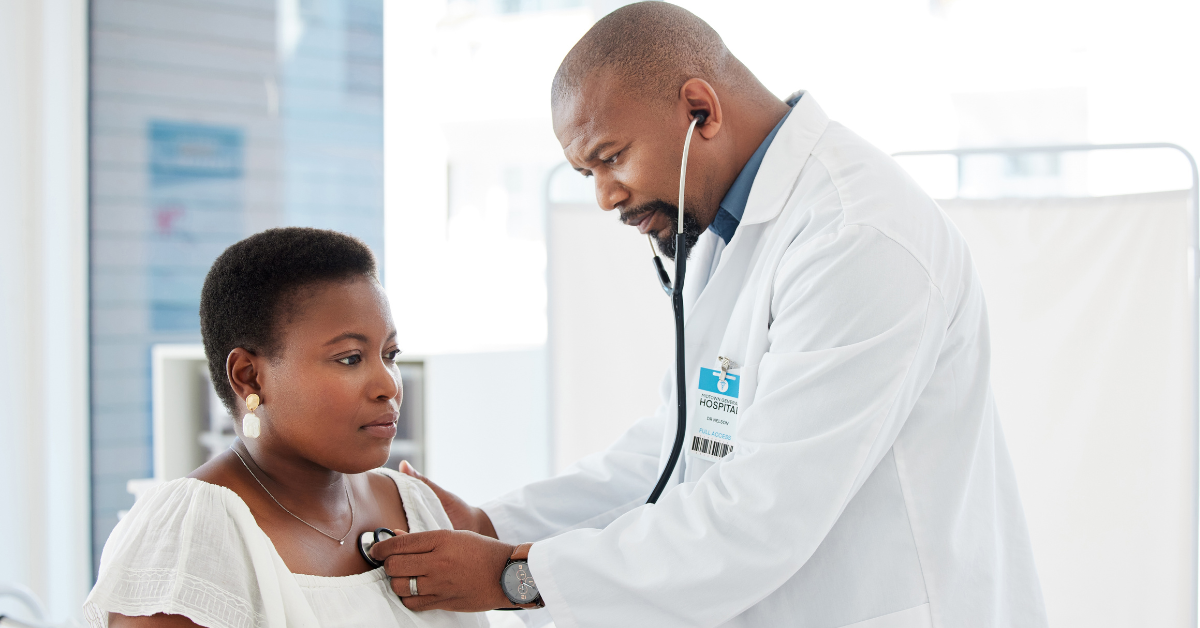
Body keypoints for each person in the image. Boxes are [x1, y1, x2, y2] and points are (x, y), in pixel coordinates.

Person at [370, 3, 1048, 627]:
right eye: (589, 175)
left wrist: (514, 575)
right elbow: (684, 446)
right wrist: (494, 524)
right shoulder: (727, 231)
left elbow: (761, 517)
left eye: (611, 158)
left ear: (700, 110)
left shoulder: (857, 235)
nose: (606, 197)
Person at [83, 228, 488, 628]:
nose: (388, 387)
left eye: (390, 354)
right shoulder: (192, 537)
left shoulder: (414, 504)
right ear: (249, 377)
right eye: (349, 358)